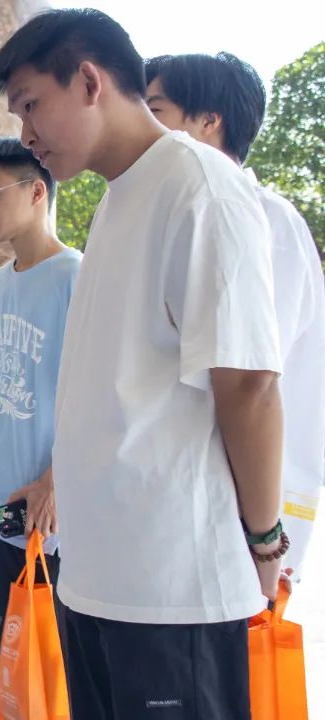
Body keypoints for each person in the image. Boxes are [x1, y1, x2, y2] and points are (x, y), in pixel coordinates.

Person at [0, 10, 284, 718]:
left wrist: (265, 541)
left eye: (31, 104)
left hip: (174, 591)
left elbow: (248, 384)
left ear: (89, 81)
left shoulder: (201, 189)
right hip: (98, 579)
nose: (25, 134)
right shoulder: (121, 195)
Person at [144, 51, 325, 583]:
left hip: (242, 513)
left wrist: (264, 542)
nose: (141, 127)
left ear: (208, 120)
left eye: (155, 109)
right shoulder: (174, 211)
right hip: (184, 507)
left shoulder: (264, 219)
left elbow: (251, 381)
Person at [0, 137, 79, 719]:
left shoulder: (76, 276)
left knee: (27, 679)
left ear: (36, 192)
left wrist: (55, 481)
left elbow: (93, 398)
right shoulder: (2, 281)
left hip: (36, 519)